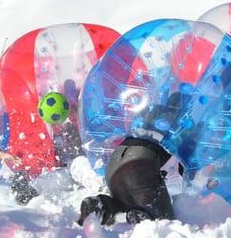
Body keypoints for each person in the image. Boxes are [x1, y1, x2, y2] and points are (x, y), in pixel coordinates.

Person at [76, 94, 182, 227]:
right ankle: (145, 216)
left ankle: (102, 205)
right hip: (140, 166)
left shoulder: (149, 111)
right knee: (164, 224)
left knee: (125, 202)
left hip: (115, 163)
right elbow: (185, 161)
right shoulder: (180, 123)